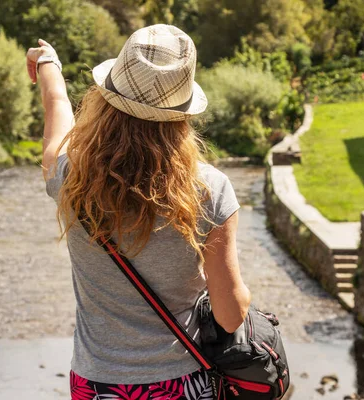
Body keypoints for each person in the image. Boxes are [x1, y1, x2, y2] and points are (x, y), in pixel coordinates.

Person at [27, 24, 251, 400]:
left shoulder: (70, 178)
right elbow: (231, 316)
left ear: (107, 99)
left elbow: (57, 108)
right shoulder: (210, 190)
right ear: (182, 116)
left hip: (96, 383)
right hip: (182, 382)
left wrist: (48, 62)